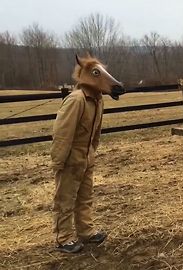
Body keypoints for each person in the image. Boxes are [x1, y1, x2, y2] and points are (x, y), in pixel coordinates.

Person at [51, 54, 125, 253]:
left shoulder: (97, 100)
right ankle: (63, 238)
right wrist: (59, 161)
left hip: (86, 158)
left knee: (85, 197)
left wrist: (92, 153)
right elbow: (62, 133)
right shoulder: (76, 100)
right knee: (65, 199)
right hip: (71, 159)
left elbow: (96, 132)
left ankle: (86, 231)